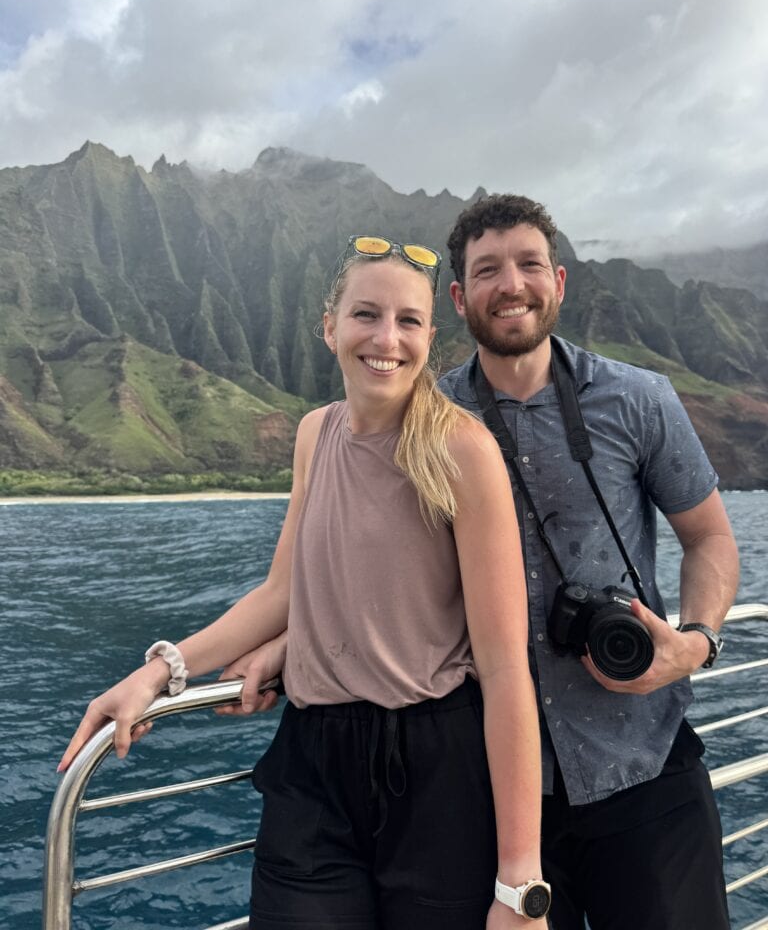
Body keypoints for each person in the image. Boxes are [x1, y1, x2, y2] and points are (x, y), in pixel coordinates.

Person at [59, 235, 549, 930]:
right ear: (330, 328)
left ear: (430, 336)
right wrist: (161, 671)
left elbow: (505, 670)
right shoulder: (315, 434)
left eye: (408, 321)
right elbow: (282, 593)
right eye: (365, 315)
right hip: (315, 764)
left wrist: (518, 885)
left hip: (437, 770)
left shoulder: (462, 450)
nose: (386, 338)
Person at [436, 194, 739, 930]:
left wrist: (693, 643)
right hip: (496, 794)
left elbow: (710, 539)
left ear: (559, 282)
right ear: (458, 297)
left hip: (645, 764)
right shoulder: (430, 419)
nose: (511, 284)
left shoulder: (640, 400)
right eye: (487, 271)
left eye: (529, 264)